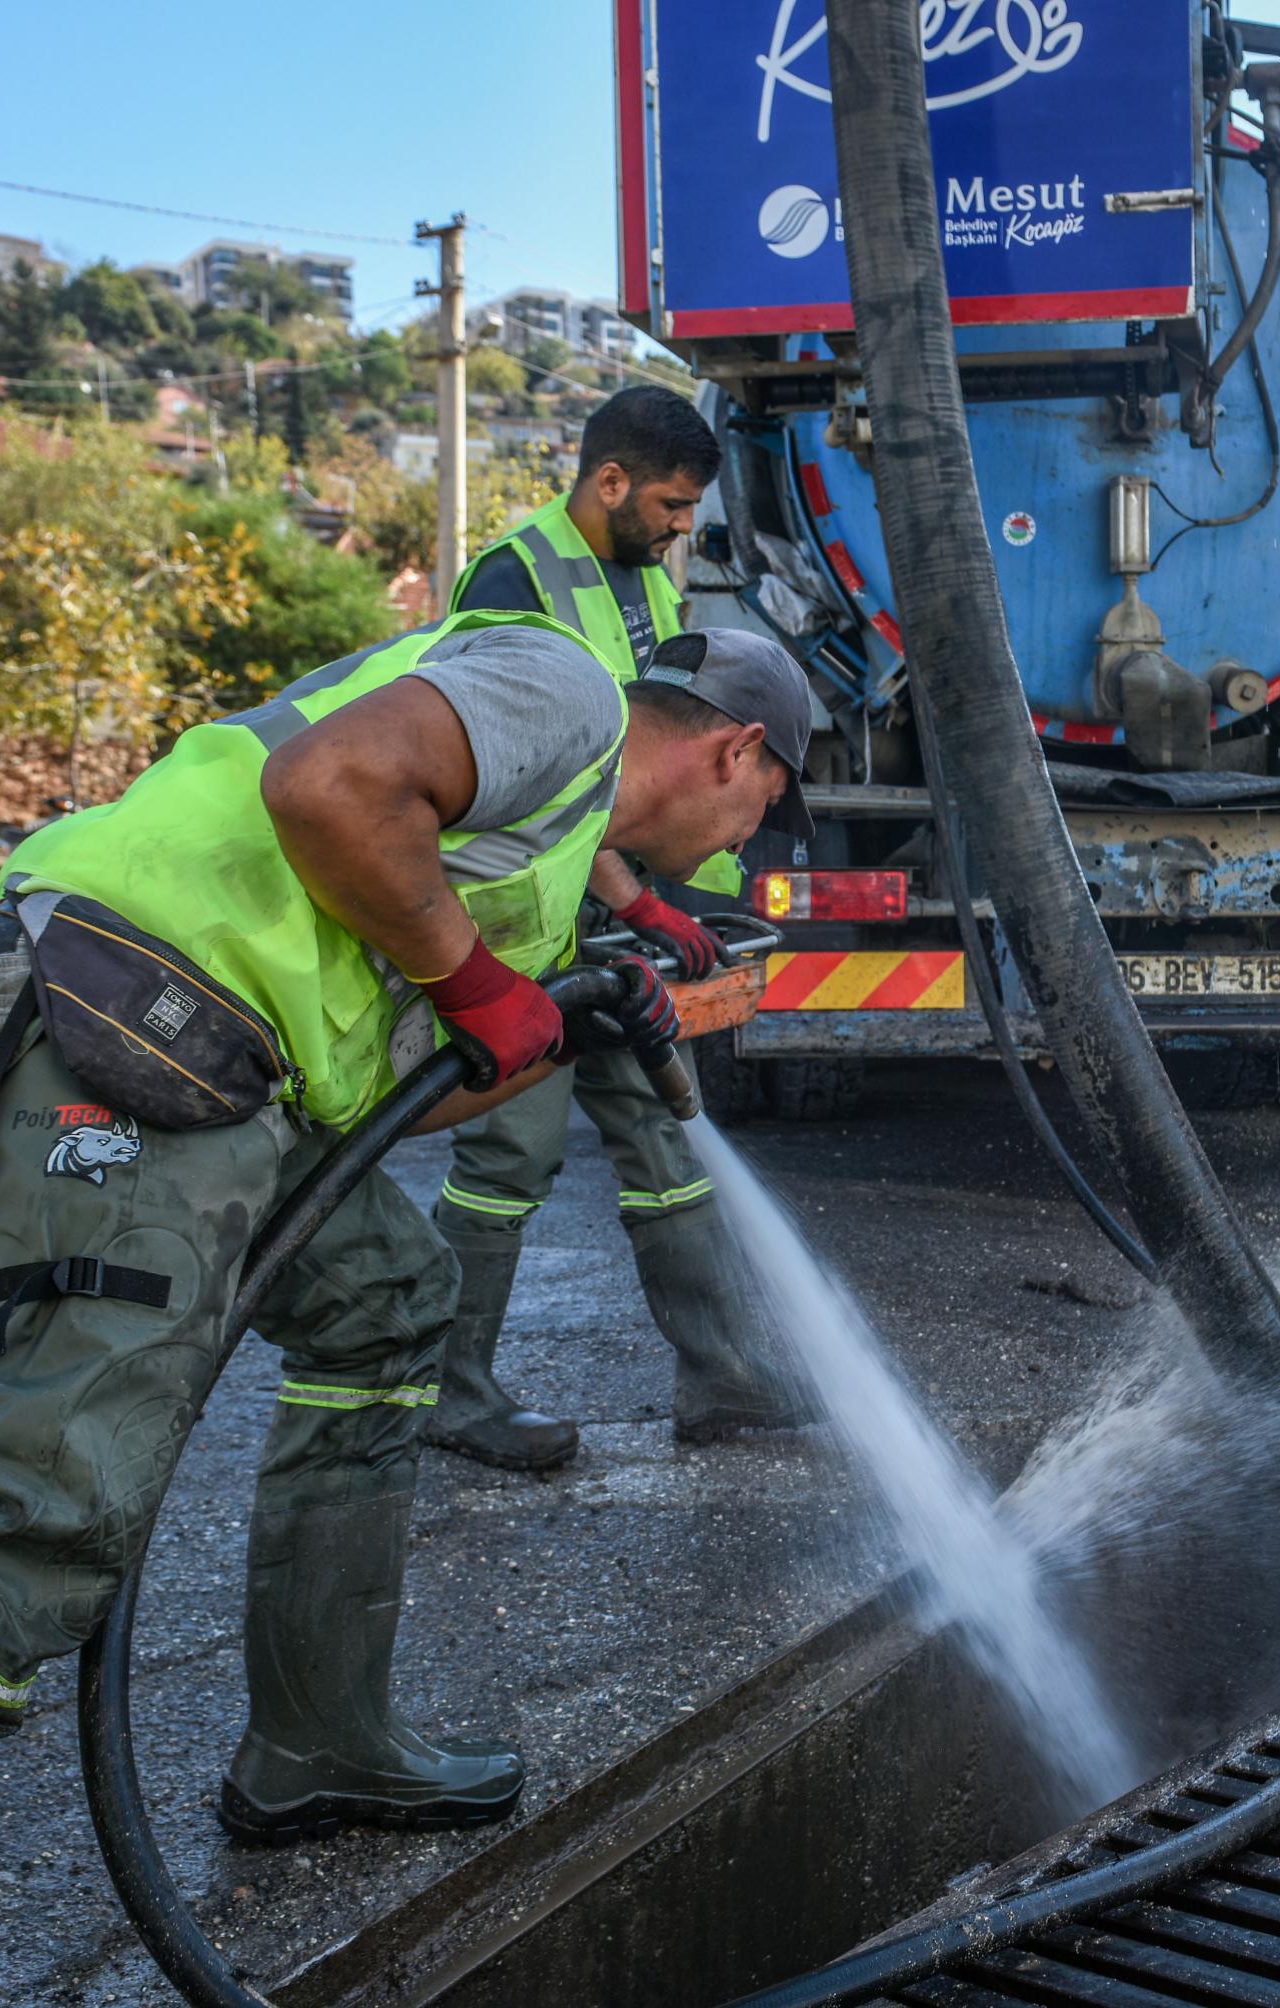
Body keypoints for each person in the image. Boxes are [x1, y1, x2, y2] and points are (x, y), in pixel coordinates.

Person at [0, 612, 814, 2008]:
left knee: (389, 1302)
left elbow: (398, 1097)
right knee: (17, 1540)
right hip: (112, 1008)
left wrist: (559, 1015)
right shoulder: (561, 690)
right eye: (768, 806)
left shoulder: (546, 852)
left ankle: (318, 1746)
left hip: (216, 1063)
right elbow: (326, 786)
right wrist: (476, 979)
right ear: (736, 751)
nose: (751, 842)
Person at [425, 386, 800, 1470]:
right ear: (609, 481)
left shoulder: (642, 576)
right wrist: (634, 897)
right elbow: (534, 768)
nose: (687, 526)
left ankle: (725, 1375)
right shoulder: (512, 577)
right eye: (674, 504)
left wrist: (671, 891)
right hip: (526, 910)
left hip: (605, 910)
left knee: (664, 1133)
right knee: (512, 1146)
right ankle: (452, 1391)